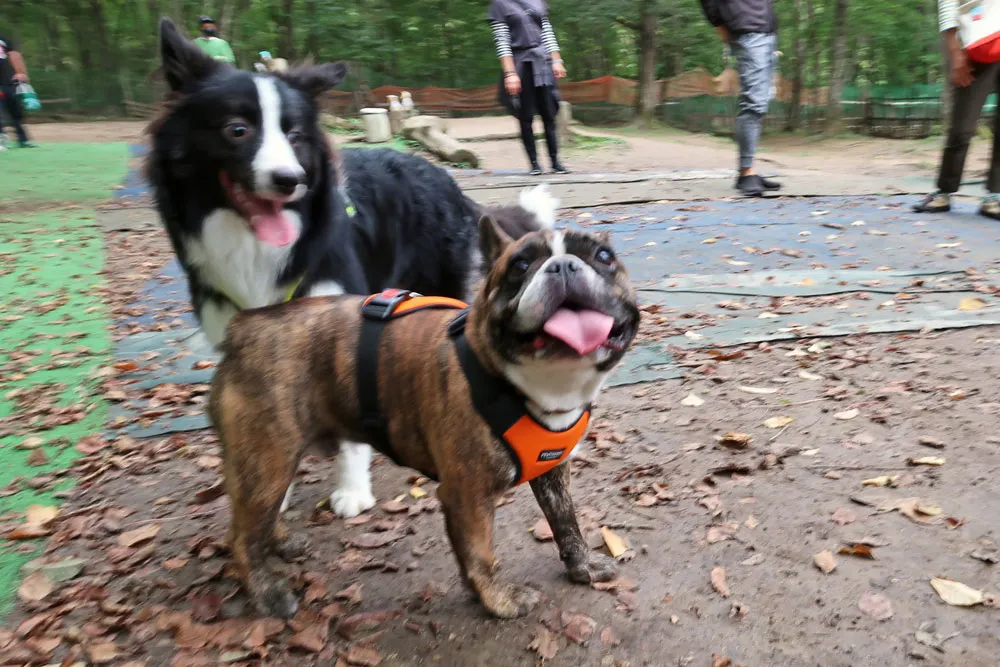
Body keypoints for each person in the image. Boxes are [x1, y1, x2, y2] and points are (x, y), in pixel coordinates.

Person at [913, 1, 1000, 219]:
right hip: (978, 44)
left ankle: (995, 196)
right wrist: (954, 53)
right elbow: (947, 4)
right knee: (961, 127)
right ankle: (944, 191)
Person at [700, 0, 780, 196]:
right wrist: (722, 29)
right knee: (753, 104)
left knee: (760, 102)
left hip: (766, 32)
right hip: (747, 31)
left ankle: (748, 169)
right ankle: (746, 174)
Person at [489, 0, 569, 175]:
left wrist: (556, 60)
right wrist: (510, 74)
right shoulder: (500, 5)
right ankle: (534, 164)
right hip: (520, 65)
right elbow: (502, 42)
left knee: (549, 113)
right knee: (525, 117)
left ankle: (555, 162)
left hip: (543, 62)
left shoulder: (538, 2)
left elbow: (547, 33)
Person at [0, 31, 36, 149]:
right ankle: (1, 140)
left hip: (8, 81)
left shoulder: (2, 37)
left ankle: (23, 140)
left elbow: (14, 55)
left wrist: (21, 73)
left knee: (16, 111)